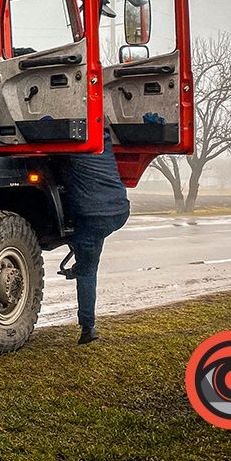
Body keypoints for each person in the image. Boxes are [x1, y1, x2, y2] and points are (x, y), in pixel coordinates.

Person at [56, 128, 131, 344]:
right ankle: (81, 266)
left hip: (92, 215)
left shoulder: (70, 141)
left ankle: (88, 329)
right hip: (118, 210)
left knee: (88, 270)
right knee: (90, 258)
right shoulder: (102, 138)